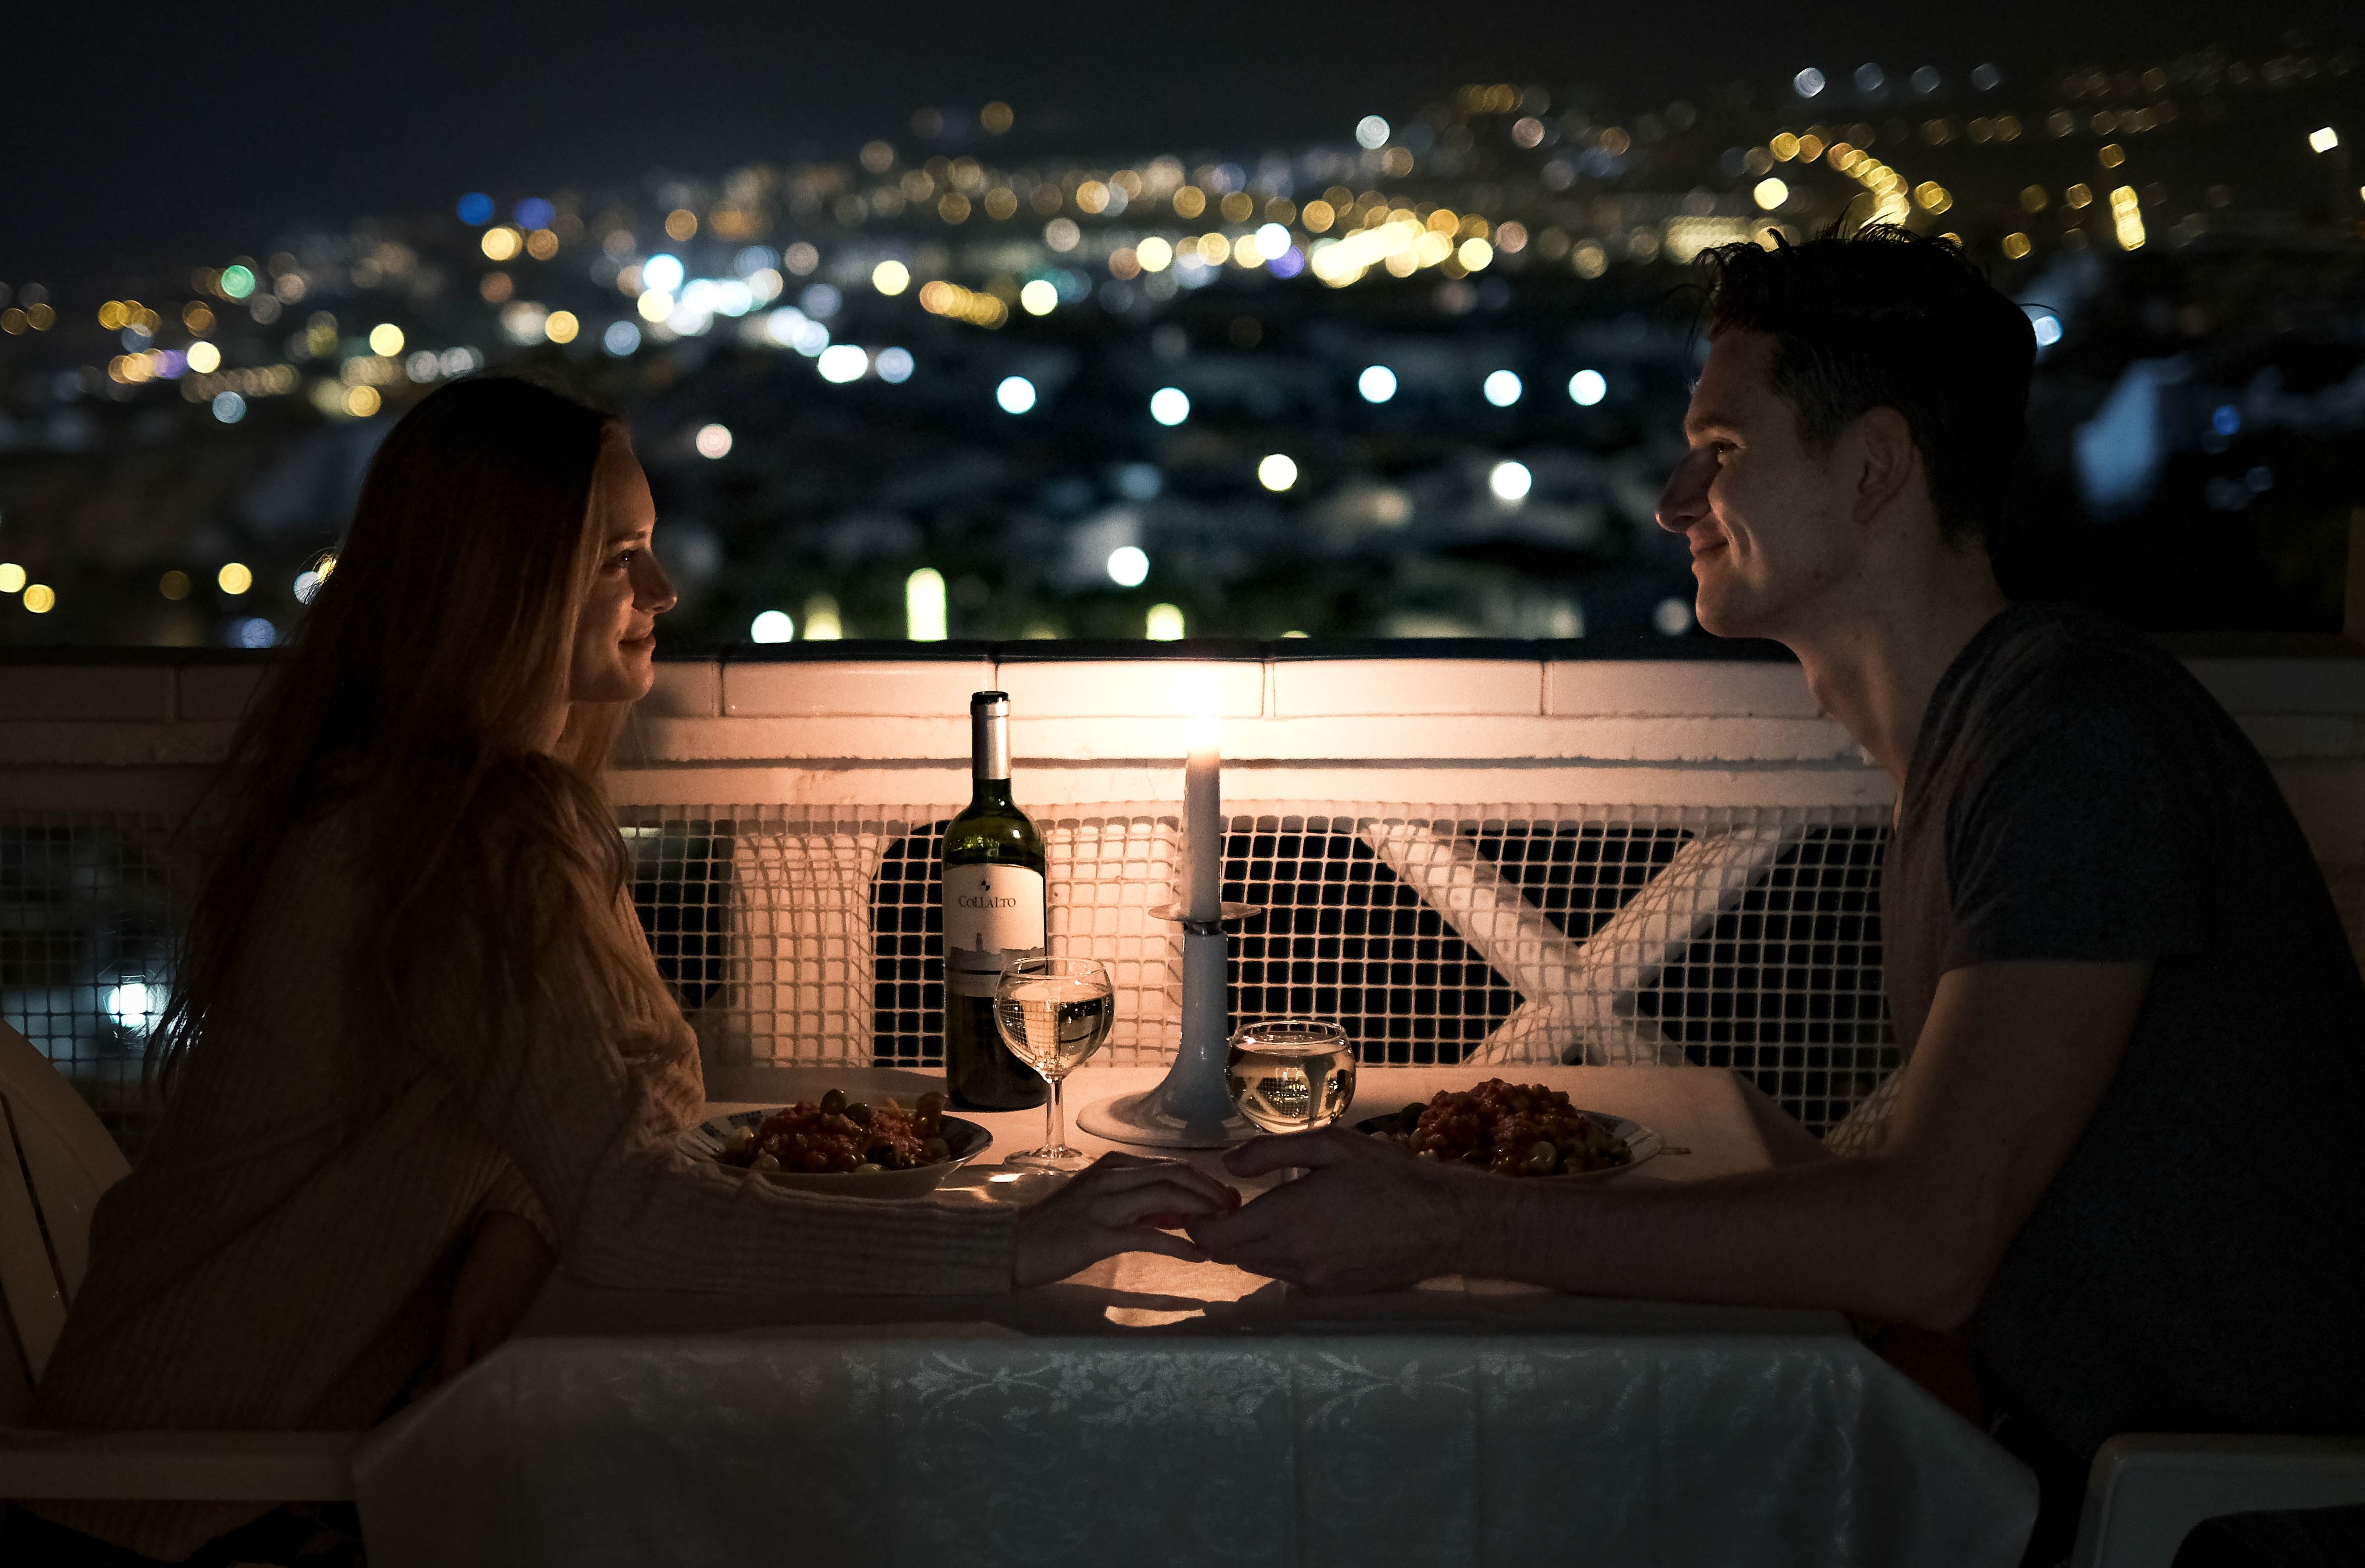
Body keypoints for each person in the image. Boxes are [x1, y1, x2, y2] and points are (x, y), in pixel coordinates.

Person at [1187, 230, 2365, 1565]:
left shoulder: (2072, 740)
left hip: (2221, 1511)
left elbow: (1928, 1239)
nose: (1673, 498)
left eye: (1725, 451)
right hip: (2065, 1447)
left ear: (1872, 469)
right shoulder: (1985, 739)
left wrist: (1444, 1221)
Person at [7, 377, 1232, 1566]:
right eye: (619, 557)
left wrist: (516, 1210)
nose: (666, 588)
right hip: (185, 1503)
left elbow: (554, 1107)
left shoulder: (416, 795)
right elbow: (640, 1209)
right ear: (507, 587)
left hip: (197, 1455)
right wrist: (1014, 1245)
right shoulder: (472, 834)